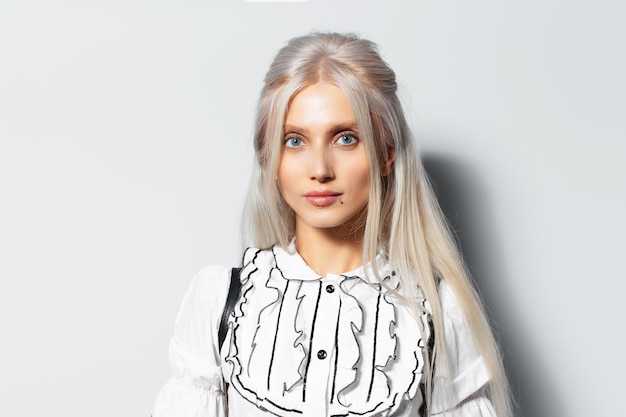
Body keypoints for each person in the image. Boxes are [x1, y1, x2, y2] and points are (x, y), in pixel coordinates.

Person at [153, 32, 512, 417]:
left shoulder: (439, 312)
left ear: (386, 154)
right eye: (295, 141)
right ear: (268, 157)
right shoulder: (219, 302)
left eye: (345, 138)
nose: (320, 170)